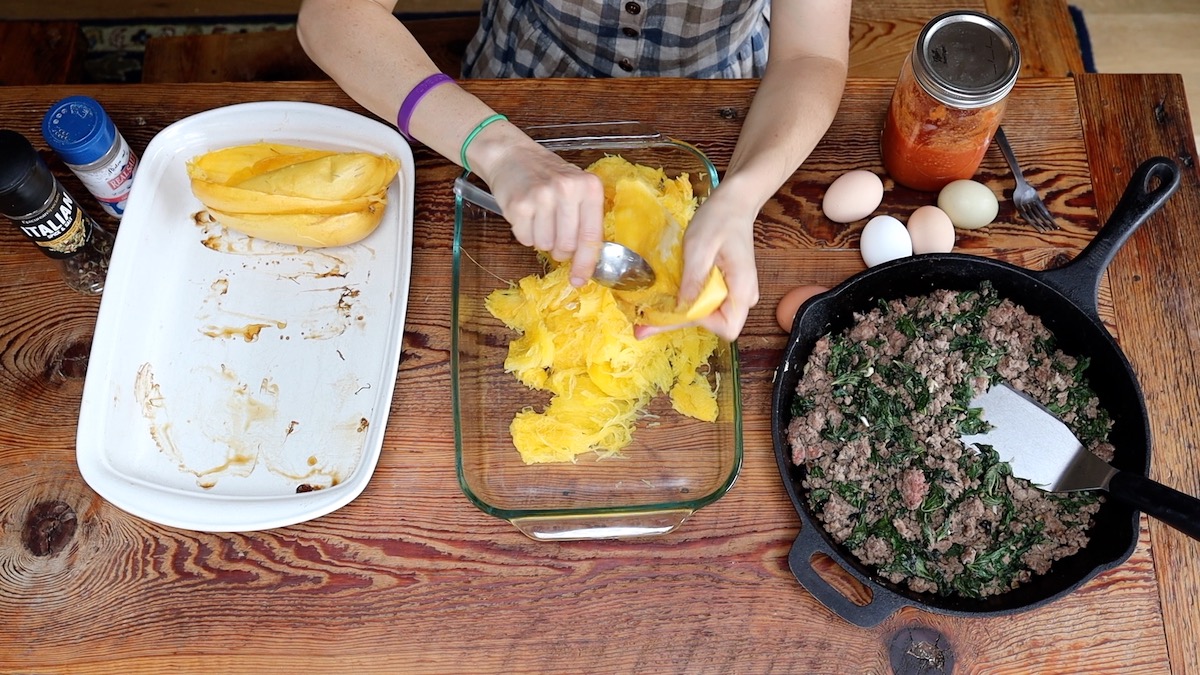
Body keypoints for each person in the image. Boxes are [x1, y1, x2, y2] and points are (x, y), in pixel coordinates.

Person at [297, 0, 851, 341]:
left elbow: (812, 58)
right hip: (514, 89)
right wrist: (495, 148)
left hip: (726, 107)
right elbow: (334, 16)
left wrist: (743, 195)